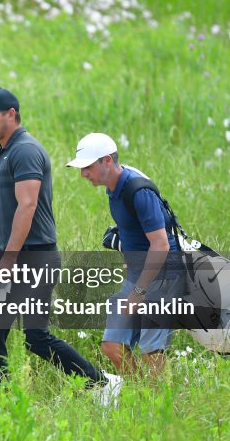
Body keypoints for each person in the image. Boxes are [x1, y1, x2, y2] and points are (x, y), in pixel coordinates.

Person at [0, 89, 122, 405]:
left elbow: (27, 206)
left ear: (11, 114)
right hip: (17, 253)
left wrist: (7, 262)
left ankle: (102, 383)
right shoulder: (4, 151)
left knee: (34, 336)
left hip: (34, 255)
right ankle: (1, 402)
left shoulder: (25, 150)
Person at [66, 132, 184, 379]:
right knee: (112, 345)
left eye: (87, 167)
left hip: (162, 277)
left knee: (151, 352)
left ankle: (160, 405)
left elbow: (161, 245)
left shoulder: (138, 191)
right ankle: (143, 398)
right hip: (139, 275)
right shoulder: (113, 187)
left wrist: (138, 292)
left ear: (106, 161)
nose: (83, 174)